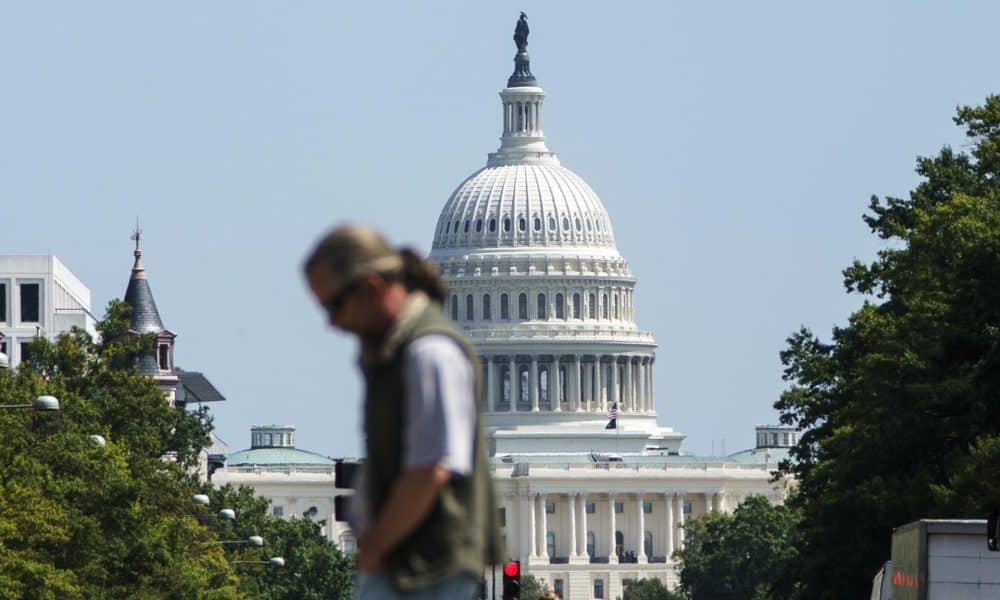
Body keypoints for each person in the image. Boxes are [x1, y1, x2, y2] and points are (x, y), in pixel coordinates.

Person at [304, 224, 502, 600]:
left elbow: (432, 468)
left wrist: (376, 546)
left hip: (425, 570)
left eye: (333, 306)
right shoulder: (394, 352)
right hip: (407, 564)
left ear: (372, 289)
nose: (331, 323)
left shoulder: (430, 353)